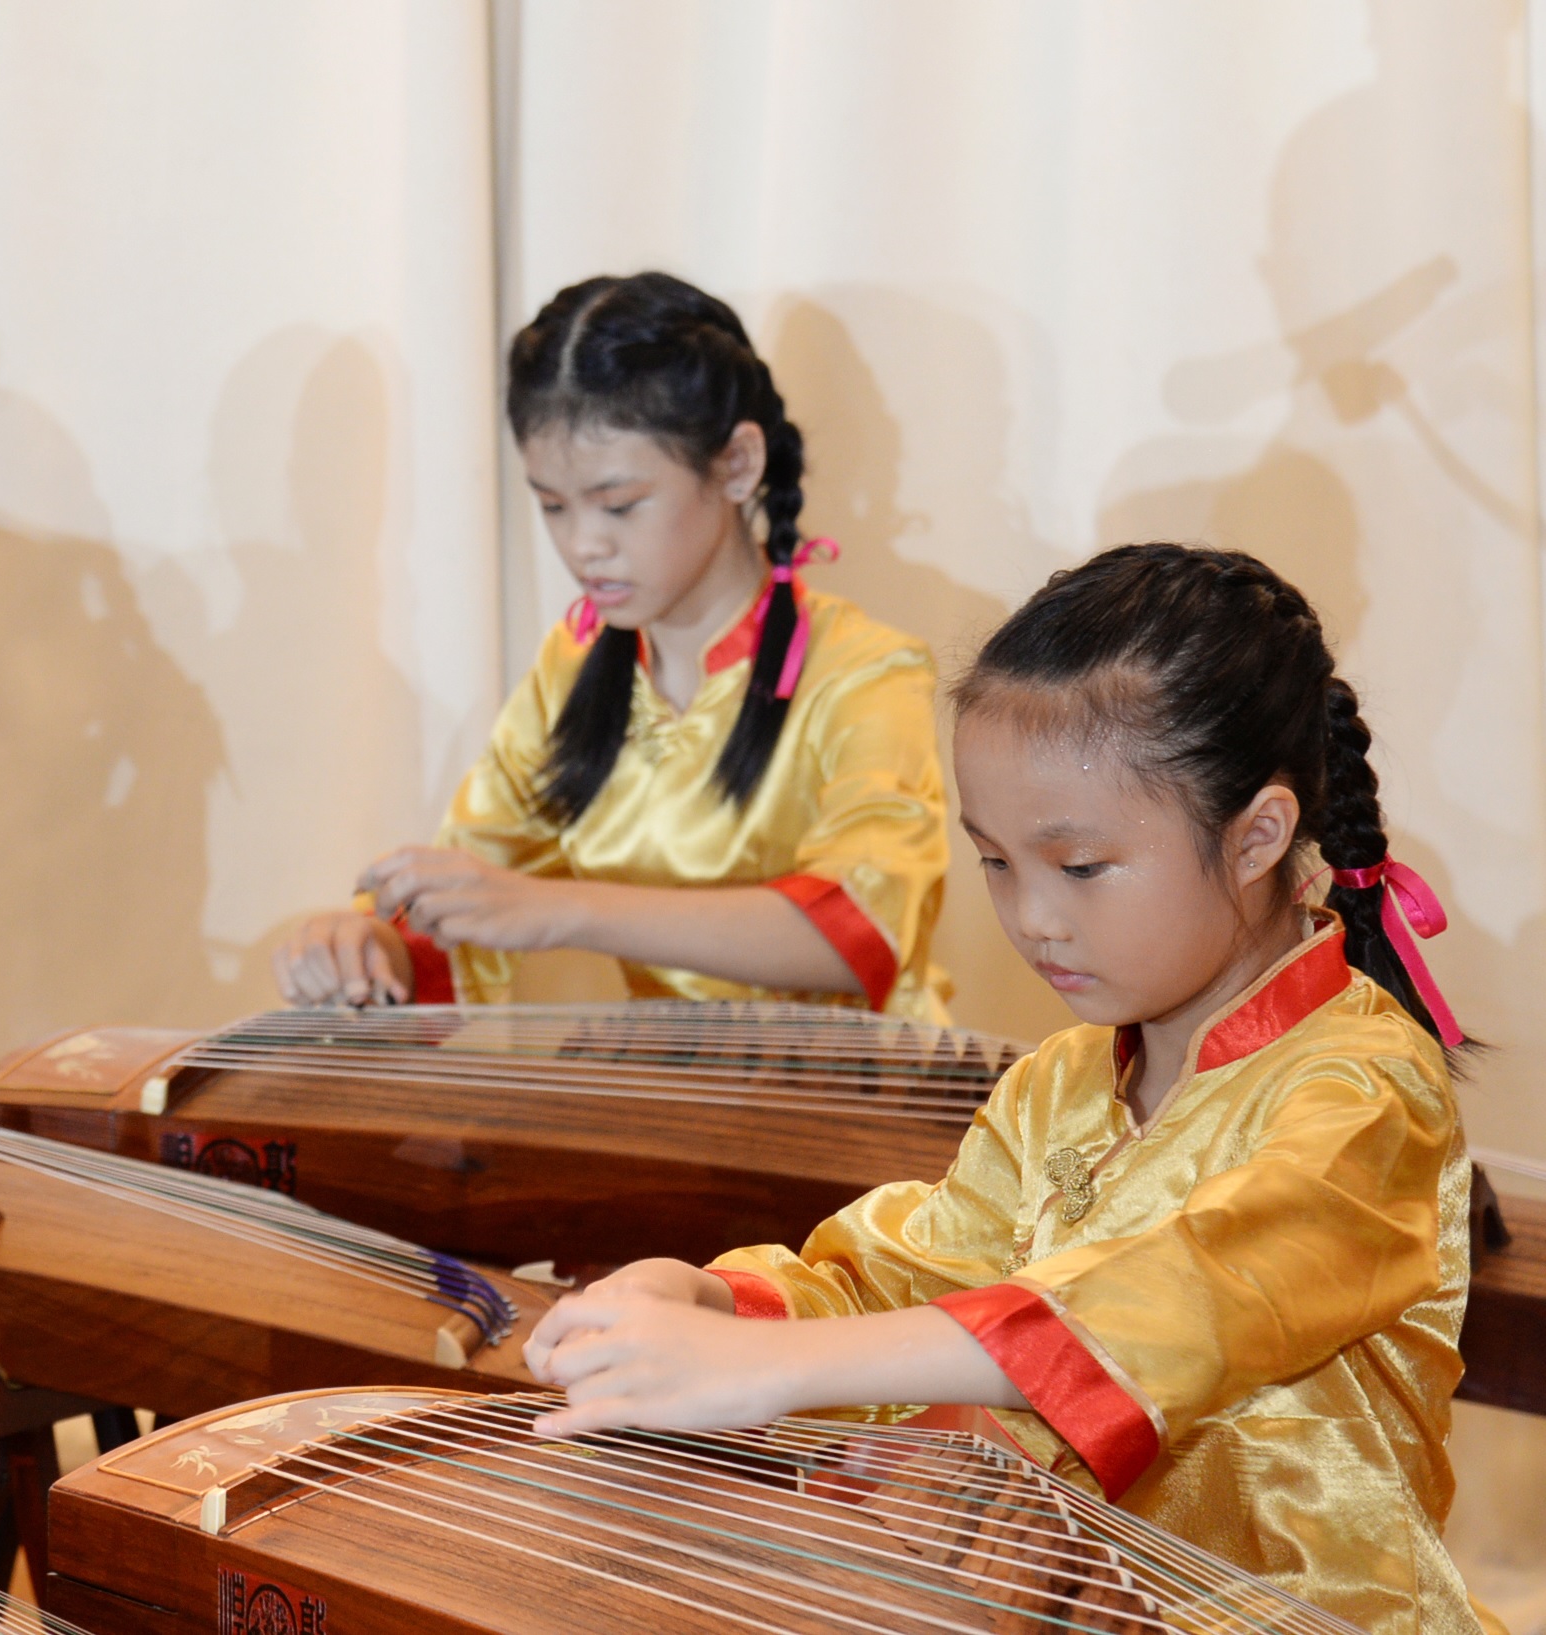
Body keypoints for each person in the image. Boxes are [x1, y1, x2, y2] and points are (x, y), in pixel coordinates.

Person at [520, 544, 1491, 1634]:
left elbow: (1187, 1294)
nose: (1031, 916)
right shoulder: (1061, 1082)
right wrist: (716, 1300)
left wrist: (771, 1365)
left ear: (1258, 833)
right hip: (1072, 1603)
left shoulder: (1364, 1089)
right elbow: (910, 1272)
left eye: (1077, 868)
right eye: (994, 862)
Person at [274, 272, 949, 1019]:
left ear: (736, 465)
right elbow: (475, 897)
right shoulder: (573, 665)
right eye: (552, 506)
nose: (581, 545)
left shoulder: (862, 669)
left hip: (868, 1090)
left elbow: (861, 930)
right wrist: (370, 944)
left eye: (618, 504)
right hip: (684, 1091)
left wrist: (560, 907)